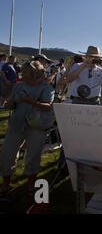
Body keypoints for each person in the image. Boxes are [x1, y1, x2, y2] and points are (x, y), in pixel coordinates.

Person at [0, 61, 55, 195]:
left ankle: (31, 185)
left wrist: (32, 102)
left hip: (37, 127)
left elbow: (48, 106)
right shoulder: (19, 86)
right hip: (16, 124)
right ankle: (6, 184)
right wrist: (10, 104)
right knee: (7, 154)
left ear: (34, 74)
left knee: (33, 156)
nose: (21, 73)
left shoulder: (46, 88)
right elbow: (12, 103)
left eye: (24, 71)